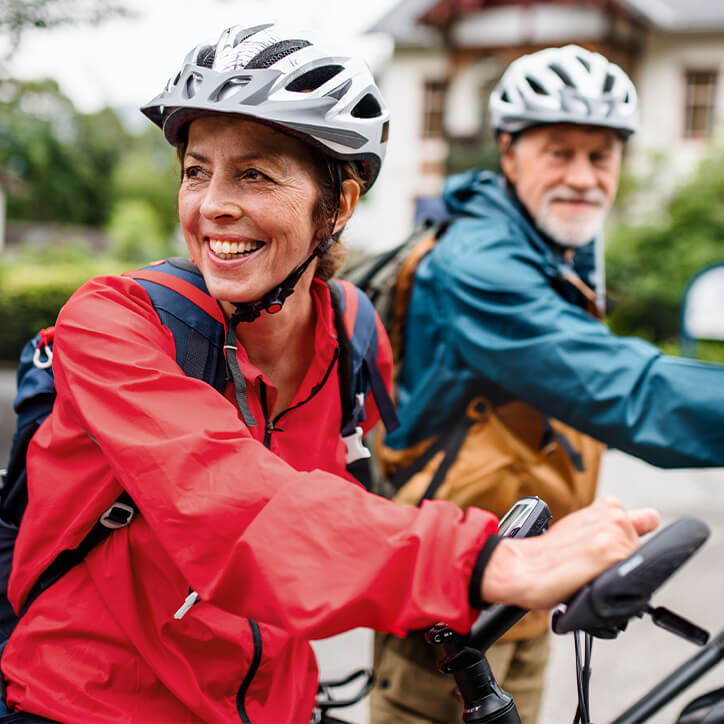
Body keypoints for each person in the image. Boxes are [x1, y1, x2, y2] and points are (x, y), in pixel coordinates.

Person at [0, 28, 658, 723]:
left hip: (274, 705)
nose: (212, 204)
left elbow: (349, 502)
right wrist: (485, 562)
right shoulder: (111, 323)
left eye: (254, 173)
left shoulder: (351, 332)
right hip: (87, 705)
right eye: (197, 171)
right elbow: (232, 502)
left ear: (338, 205)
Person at [370, 44, 724, 724]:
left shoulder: (552, 246)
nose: (583, 177)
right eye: (558, 152)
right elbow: (629, 391)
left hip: (525, 594)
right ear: (508, 155)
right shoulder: (479, 266)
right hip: (451, 614)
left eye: (601, 156)